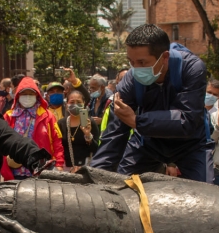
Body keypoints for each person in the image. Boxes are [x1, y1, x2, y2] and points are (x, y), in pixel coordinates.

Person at [91, 24, 212, 182]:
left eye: (142, 62)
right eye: (131, 62)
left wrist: (137, 121)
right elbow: (114, 134)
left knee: (205, 198)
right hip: (147, 143)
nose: (136, 69)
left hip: (191, 145)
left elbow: (187, 121)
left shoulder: (192, 68)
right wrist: (94, 175)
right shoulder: (130, 81)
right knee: (122, 186)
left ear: (165, 57)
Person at [1, 76, 65, 180]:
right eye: (24, 94)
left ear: (37, 95)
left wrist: (59, 164)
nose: (27, 97)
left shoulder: (47, 116)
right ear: (18, 95)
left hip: (42, 172)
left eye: (31, 94)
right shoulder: (8, 116)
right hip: (14, 173)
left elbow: (57, 142)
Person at [58, 89, 99, 172]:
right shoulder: (61, 123)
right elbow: (58, 148)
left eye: (79, 102)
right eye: (72, 102)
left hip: (86, 168)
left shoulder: (90, 123)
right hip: (66, 169)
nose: (75, 105)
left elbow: (96, 149)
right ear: (66, 105)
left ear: (83, 104)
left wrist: (88, 135)